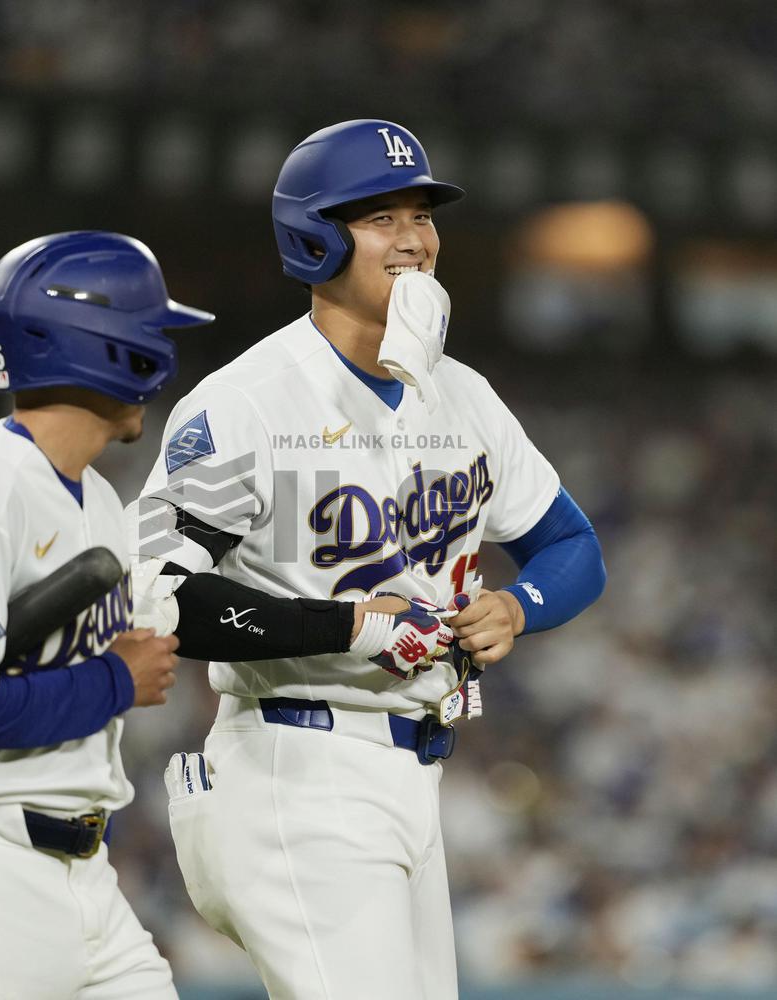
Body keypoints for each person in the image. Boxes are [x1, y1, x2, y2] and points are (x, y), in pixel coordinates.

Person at [130, 119, 607, 999]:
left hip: (413, 771)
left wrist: (518, 605)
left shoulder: (463, 396)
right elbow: (157, 596)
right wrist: (344, 624)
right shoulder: (247, 401)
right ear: (313, 238)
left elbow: (572, 546)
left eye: (421, 214)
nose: (413, 238)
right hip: (294, 767)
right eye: (379, 217)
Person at [0, 231, 213, 1000]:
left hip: (84, 877)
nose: (162, 353)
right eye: (149, 332)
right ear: (105, 349)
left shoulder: (93, 499)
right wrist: (114, 681)